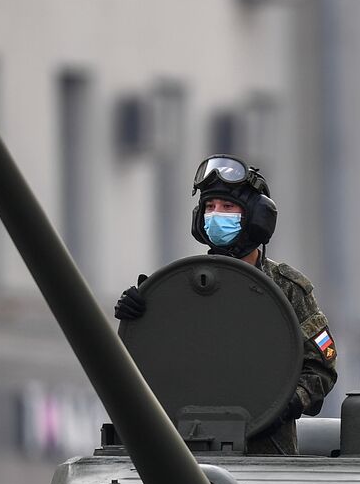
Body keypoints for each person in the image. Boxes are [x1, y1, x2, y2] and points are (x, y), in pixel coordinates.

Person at [114, 155, 337, 454]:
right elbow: (151, 367)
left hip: (267, 452)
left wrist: (284, 406)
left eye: (228, 207)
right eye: (210, 207)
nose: (216, 215)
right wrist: (139, 320)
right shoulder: (179, 288)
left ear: (256, 218)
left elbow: (322, 366)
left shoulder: (287, 288)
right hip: (186, 447)